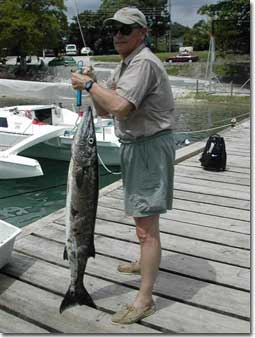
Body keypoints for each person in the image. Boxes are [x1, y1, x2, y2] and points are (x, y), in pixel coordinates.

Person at [71, 7, 175, 325]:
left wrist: (89, 87)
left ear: (142, 33)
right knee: (141, 216)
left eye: (125, 30)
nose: (117, 35)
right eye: (114, 29)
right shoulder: (127, 63)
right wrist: (93, 85)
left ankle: (145, 299)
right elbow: (106, 111)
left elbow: (120, 107)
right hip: (134, 147)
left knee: (146, 227)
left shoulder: (143, 63)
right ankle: (143, 259)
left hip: (148, 149)